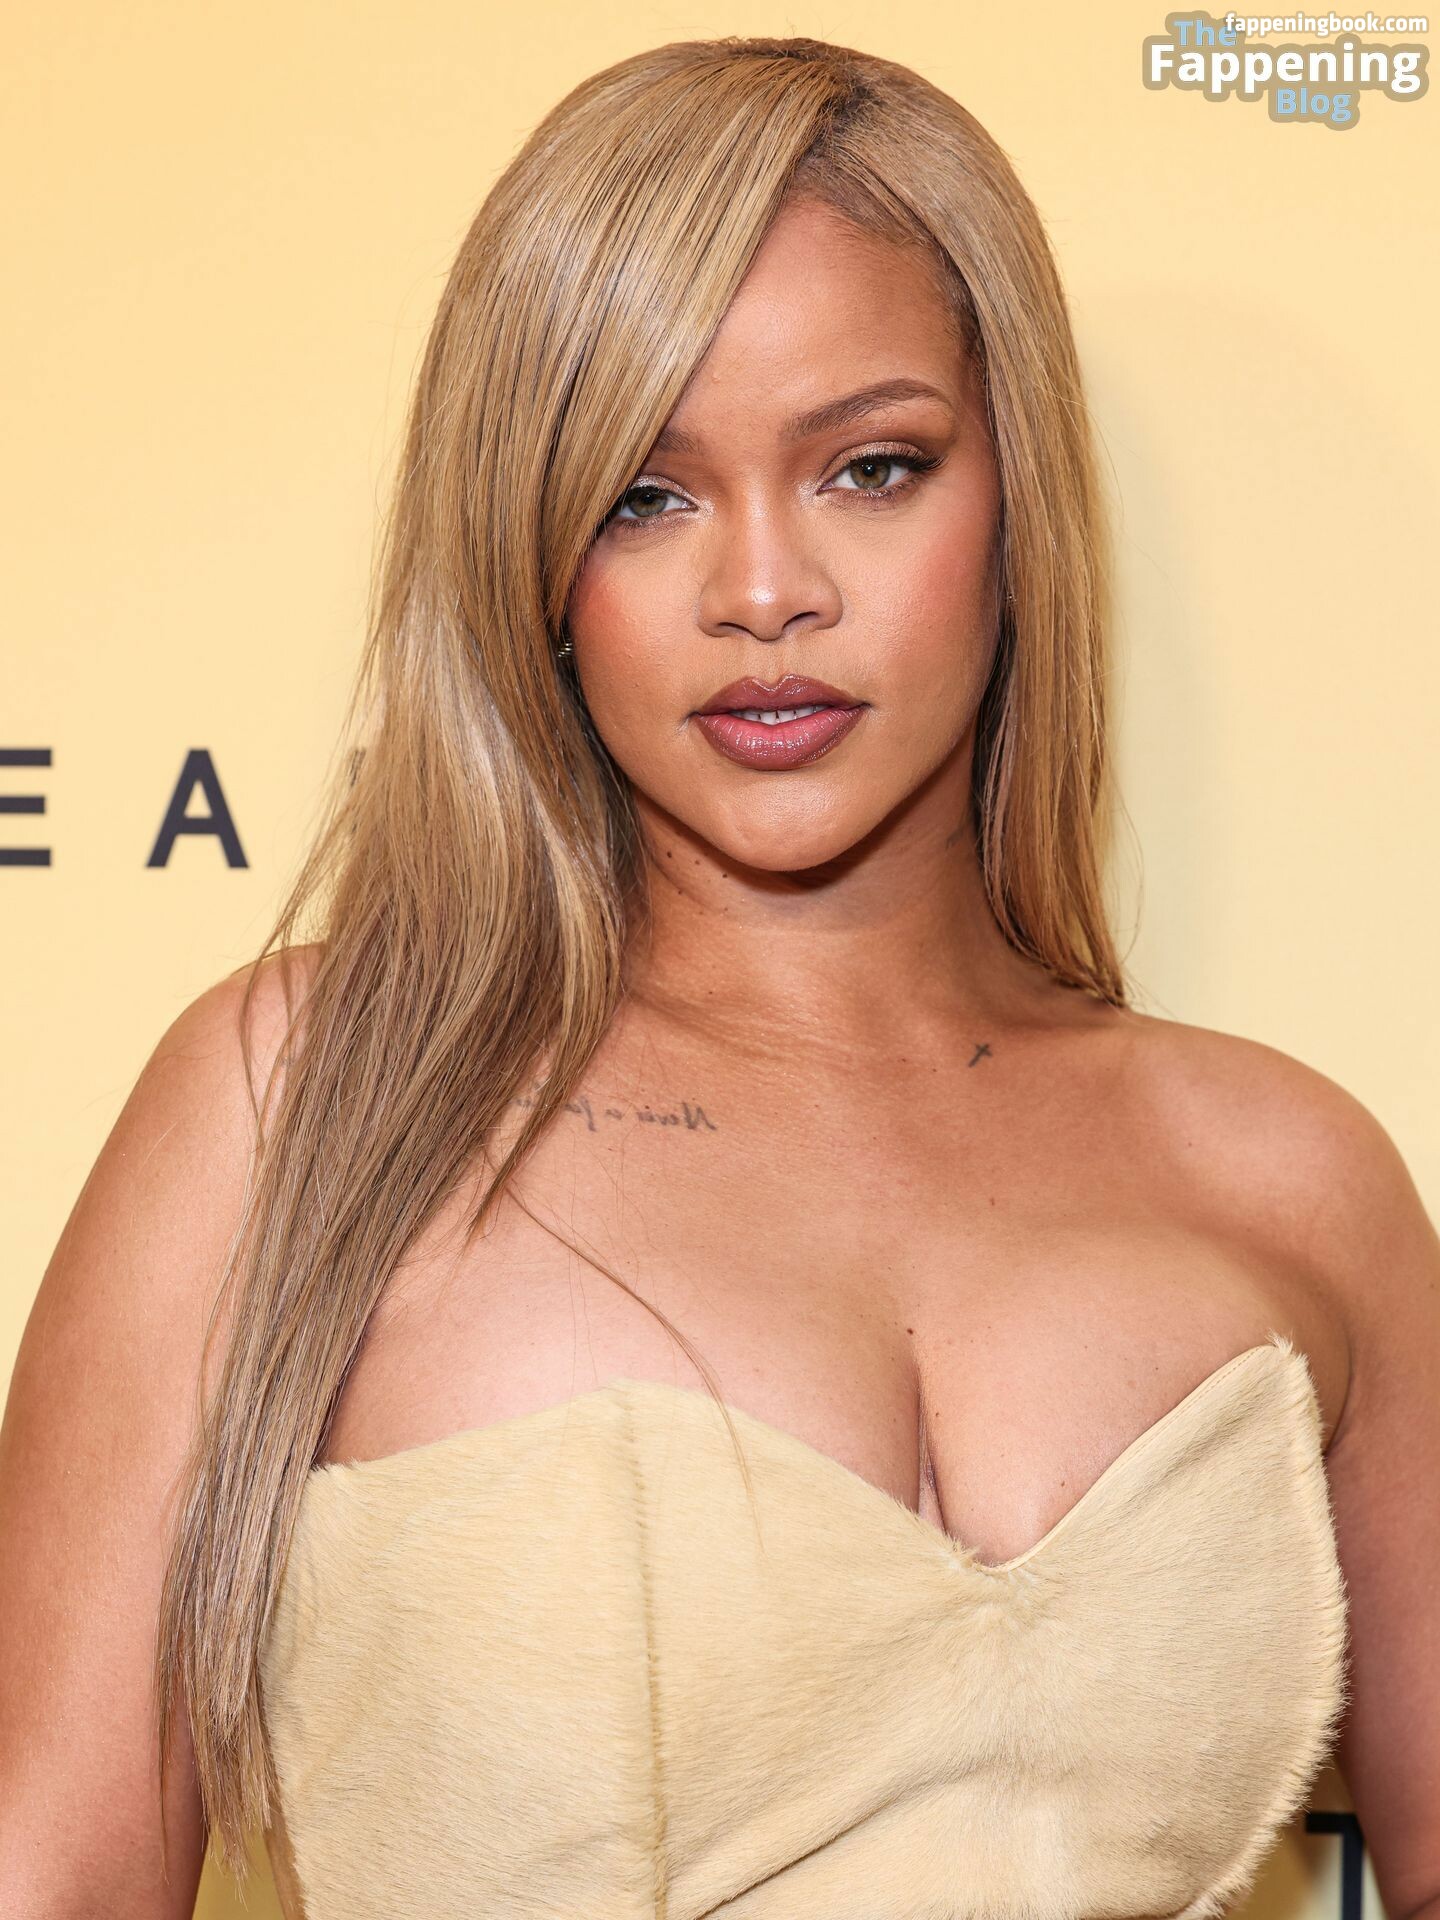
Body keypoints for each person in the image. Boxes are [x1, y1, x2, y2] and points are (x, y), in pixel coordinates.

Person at [2, 32, 1436, 1920]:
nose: (765, 590)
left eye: (872, 467)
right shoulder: (306, 1103)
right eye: (645, 494)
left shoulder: (1292, 1172)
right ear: (534, 558)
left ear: (1016, 502)